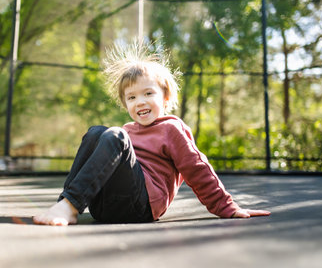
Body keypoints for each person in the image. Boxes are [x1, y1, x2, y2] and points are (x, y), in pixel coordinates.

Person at [33, 41, 270, 226]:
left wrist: (226, 207)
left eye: (148, 93)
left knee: (114, 136)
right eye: (132, 97)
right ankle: (68, 204)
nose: (140, 102)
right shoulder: (125, 132)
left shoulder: (171, 128)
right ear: (125, 104)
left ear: (165, 98)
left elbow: (196, 168)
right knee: (96, 133)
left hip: (141, 206)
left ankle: (69, 205)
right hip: (102, 207)